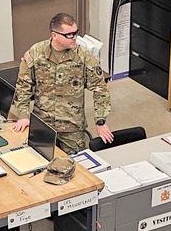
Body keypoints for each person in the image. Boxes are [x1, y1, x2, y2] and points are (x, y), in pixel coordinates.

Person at [12, 12, 113, 154]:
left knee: (76, 166)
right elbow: (23, 86)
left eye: (76, 33)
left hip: (71, 127)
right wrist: (23, 115)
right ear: (54, 35)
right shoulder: (36, 53)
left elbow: (100, 90)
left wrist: (100, 121)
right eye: (69, 35)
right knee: (39, 161)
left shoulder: (83, 57)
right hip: (42, 123)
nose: (75, 38)